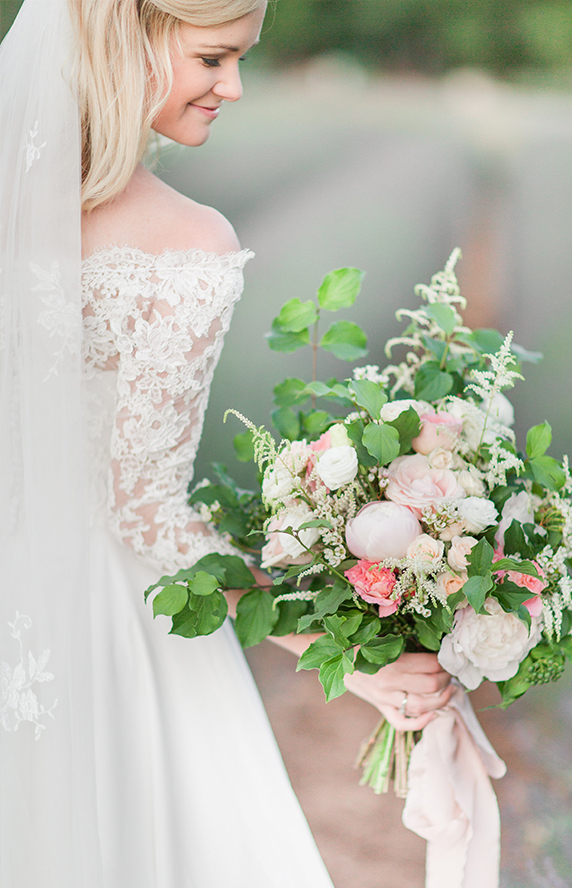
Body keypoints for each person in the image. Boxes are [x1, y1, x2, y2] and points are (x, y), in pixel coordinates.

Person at [0, 1, 452, 885]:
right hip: (105, 629)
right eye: (213, 58)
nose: (233, 86)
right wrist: (356, 662)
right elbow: (145, 516)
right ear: (124, 40)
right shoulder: (182, 243)